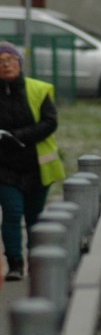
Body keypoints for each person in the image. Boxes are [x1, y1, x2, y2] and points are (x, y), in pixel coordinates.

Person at [0, 41, 66, 281]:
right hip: (4, 168)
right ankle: (15, 264)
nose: (6, 65)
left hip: (37, 166)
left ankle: (37, 264)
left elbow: (50, 122)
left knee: (34, 216)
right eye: (1, 61)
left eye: (10, 60)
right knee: (12, 212)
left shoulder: (38, 90)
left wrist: (19, 137)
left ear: (19, 63)